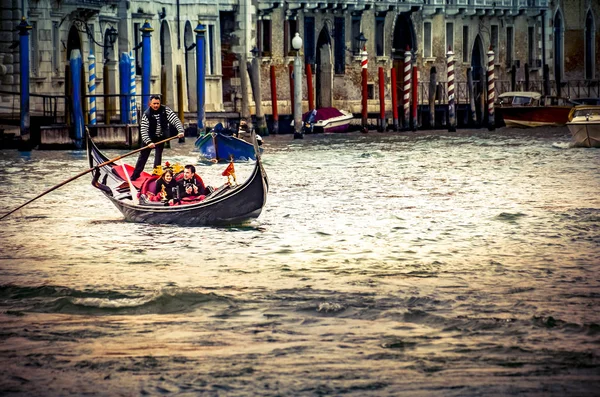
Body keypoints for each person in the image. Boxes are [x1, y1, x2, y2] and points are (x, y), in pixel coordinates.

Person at [131, 95, 185, 180]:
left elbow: (175, 120)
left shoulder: (165, 110)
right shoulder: (146, 114)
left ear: (160, 103)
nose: (156, 105)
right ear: (150, 104)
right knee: (143, 156)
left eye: (157, 103)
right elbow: (143, 130)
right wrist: (149, 142)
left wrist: (180, 131)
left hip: (161, 137)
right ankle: (135, 175)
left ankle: (155, 175)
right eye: (154, 103)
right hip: (149, 137)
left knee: (158, 155)